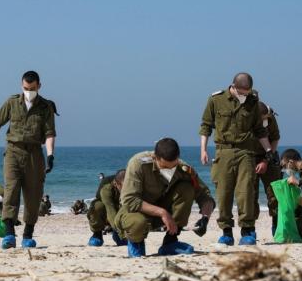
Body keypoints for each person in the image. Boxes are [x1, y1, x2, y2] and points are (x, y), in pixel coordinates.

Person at [0, 70, 58, 249]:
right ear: (21, 85)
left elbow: (49, 134)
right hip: (13, 152)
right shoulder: (12, 102)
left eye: (31, 88)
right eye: (25, 88)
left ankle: (28, 235)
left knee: (34, 194)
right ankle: (9, 234)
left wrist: (50, 155)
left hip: (34, 153)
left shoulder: (46, 107)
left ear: (39, 86)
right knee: (11, 191)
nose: (28, 91)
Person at [199, 72, 275, 246]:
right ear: (233, 86)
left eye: (248, 92)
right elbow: (205, 125)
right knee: (223, 192)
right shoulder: (216, 100)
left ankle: (247, 231)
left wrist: (269, 150)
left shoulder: (253, 102)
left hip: (246, 152)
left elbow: (259, 130)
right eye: (242, 92)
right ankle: (226, 232)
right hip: (223, 151)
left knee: (246, 192)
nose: (245, 95)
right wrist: (203, 149)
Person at [116, 138, 215, 258]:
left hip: (164, 215)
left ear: (178, 157)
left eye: (172, 167)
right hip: (135, 212)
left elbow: (205, 195)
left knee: (186, 188)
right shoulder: (138, 164)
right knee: (138, 223)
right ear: (155, 157)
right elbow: (129, 200)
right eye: (164, 167)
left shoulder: (184, 168)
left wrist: (205, 218)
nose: (168, 170)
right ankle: (136, 243)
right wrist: (162, 213)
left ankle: (171, 241)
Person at [256, 101, 282, 236]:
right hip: (249, 157)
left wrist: (266, 160)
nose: (265, 120)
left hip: (268, 155)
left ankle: (276, 226)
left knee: (274, 194)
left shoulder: (269, 115)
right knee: (249, 194)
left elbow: (275, 138)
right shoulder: (246, 116)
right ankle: (249, 230)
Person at [87, 169, 127, 246]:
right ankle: (97, 234)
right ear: (116, 184)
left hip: (121, 209)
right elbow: (110, 210)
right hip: (106, 209)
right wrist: (121, 233)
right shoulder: (106, 186)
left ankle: (118, 235)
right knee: (97, 206)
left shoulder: (133, 182)